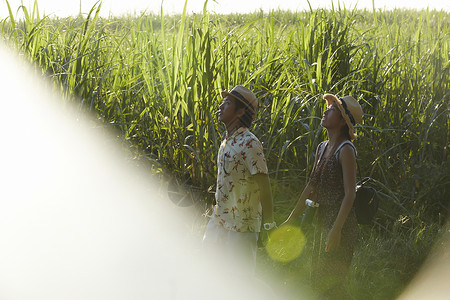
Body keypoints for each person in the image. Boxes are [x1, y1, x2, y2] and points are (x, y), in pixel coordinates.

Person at [283, 93, 363, 299]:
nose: (325, 111)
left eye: (332, 109)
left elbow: (350, 194)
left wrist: (336, 230)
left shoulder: (346, 149)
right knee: (318, 281)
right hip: (322, 222)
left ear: (343, 120)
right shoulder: (322, 147)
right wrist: (290, 220)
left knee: (332, 285)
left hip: (340, 225)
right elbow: (311, 186)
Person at [203, 85, 276, 274]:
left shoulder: (250, 142)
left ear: (241, 111)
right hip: (220, 218)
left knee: (239, 279)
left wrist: (268, 223)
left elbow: (264, 184)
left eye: (227, 103)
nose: (221, 106)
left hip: (242, 225)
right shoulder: (228, 140)